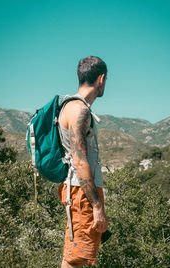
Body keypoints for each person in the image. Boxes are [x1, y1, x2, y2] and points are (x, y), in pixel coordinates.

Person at [58, 56, 108, 268]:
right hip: (82, 193)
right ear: (101, 79)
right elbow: (80, 161)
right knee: (78, 260)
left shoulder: (70, 106)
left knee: (77, 256)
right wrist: (97, 205)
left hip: (78, 191)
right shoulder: (80, 110)